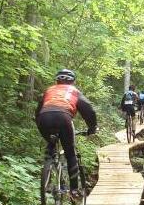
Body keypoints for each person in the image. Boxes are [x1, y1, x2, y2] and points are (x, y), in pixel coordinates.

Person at [35, 69, 97, 197]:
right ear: (73, 81)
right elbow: (89, 110)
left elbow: (39, 109)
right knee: (70, 154)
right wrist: (92, 127)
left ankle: (48, 170)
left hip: (43, 118)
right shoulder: (74, 91)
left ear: (57, 81)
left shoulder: (49, 90)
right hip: (63, 117)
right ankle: (74, 190)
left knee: (51, 144)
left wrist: (39, 122)